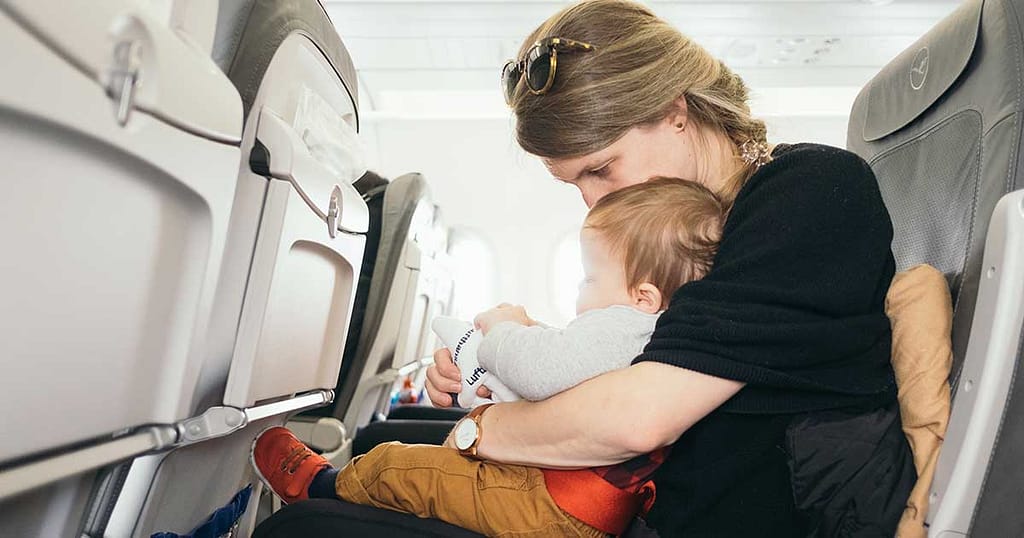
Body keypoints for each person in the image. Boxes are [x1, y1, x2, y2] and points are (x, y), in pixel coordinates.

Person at [421, 1, 915, 536]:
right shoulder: (679, 233)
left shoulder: (810, 192)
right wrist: (494, 368)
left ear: (675, 112)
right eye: (574, 184)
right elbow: (654, 356)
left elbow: (637, 419)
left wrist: (481, 428)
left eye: (601, 167)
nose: (591, 202)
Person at [252, 177, 728, 537]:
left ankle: (321, 485)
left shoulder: (625, 324)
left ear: (644, 295)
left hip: (552, 506)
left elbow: (542, 372)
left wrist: (503, 330)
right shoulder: (656, 331)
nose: (581, 293)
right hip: (573, 504)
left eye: (589, 280)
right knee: (432, 474)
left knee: (403, 467)